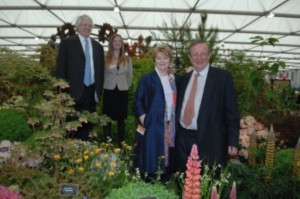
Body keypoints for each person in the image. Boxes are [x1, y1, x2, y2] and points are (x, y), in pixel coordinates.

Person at [175, 40, 240, 172]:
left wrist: (233, 140)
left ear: (209, 55)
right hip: (182, 139)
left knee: (207, 182)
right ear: (189, 57)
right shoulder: (183, 79)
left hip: (209, 140)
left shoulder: (223, 78)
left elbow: (232, 112)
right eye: (195, 54)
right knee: (183, 182)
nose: (199, 58)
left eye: (203, 54)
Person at [55, 14, 104, 141]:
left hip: (91, 92)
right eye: (84, 25)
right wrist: (61, 93)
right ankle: (72, 153)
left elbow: (100, 71)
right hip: (72, 92)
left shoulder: (98, 47)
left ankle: (86, 153)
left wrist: (99, 91)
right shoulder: (67, 43)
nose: (87, 27)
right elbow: (60, 69)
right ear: (77, 26)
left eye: (90, 25)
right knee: (72, 127)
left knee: (89, 125)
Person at [134, 45, 177, 182]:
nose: (162, 61)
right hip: (152, 125)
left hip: (169, 125)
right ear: (154, 60)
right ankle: (148, 186)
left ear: (170, 59)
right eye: (159, 58)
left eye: (165, 57)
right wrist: (144, 118)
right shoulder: (147, 78)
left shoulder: (174, 79)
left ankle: (163, 184)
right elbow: (137, 100)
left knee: (166, 158)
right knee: (150, 156)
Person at [102, 34, 133, 146]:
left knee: (121, 119)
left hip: (122, 92)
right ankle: (107, 143)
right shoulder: (106, 57)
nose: (117, 43)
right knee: (107, 119)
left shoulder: (127, 59)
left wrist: (125, 86)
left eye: (119, 41)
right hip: (109, 91)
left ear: (122, 44)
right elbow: (102, 74)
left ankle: (120, 144)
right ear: (111, 43)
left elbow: (130, 76)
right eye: (115, 40)